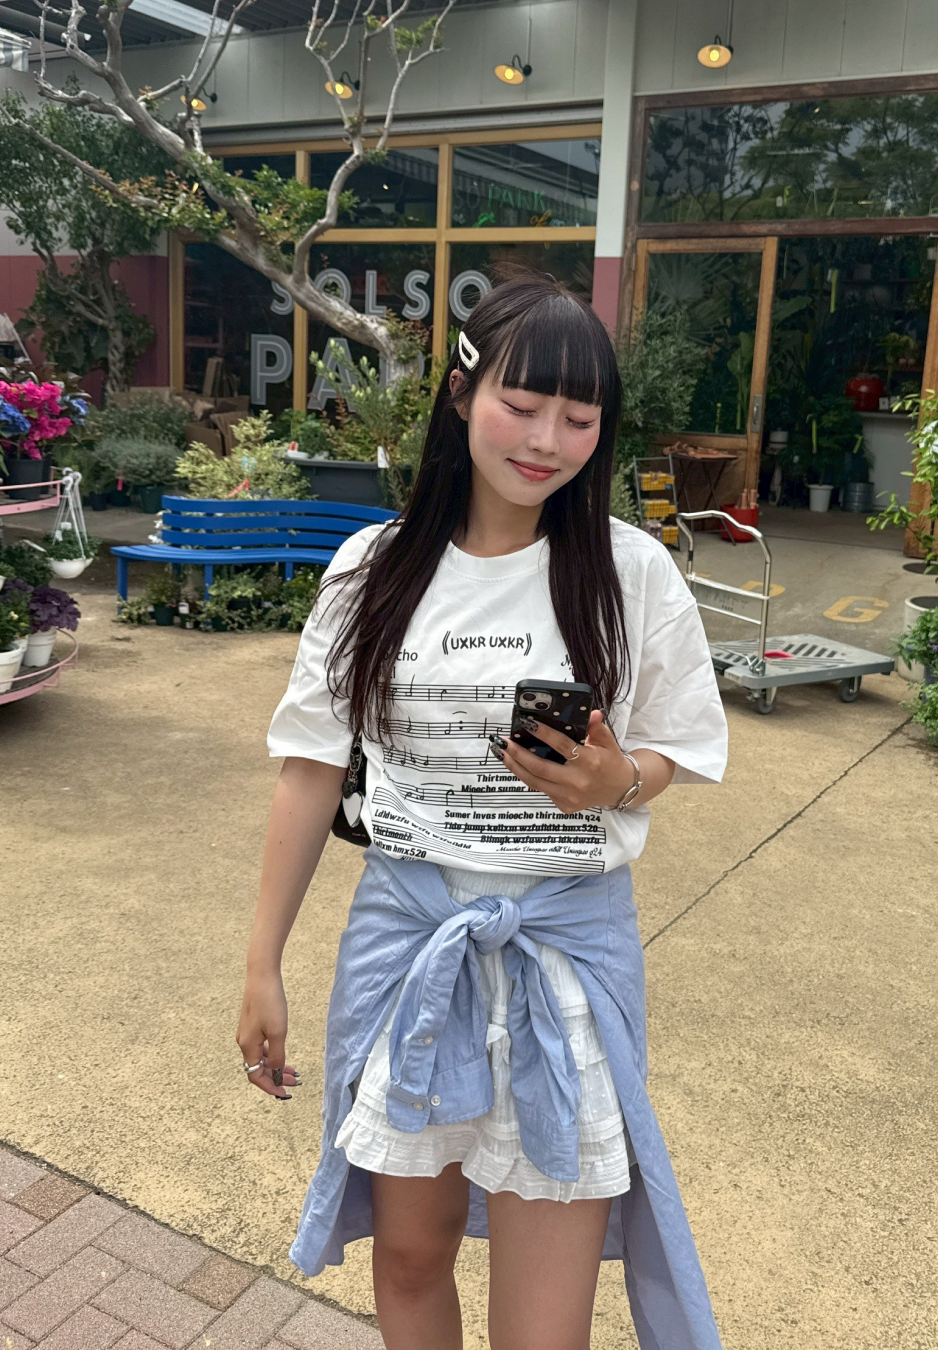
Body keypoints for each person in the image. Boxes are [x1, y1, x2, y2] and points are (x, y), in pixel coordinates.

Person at [238, 274, 729, 1350]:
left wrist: (617, 781)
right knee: (410, 1260)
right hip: (408, 942)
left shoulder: (632, 572)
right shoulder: (371, 571)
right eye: (523, 403)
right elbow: (310, 769)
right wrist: (262, 963)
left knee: (544, 1324)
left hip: (566, 953)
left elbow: (680, 748)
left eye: (580, 417)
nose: (548, 440)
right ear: (461, 395)